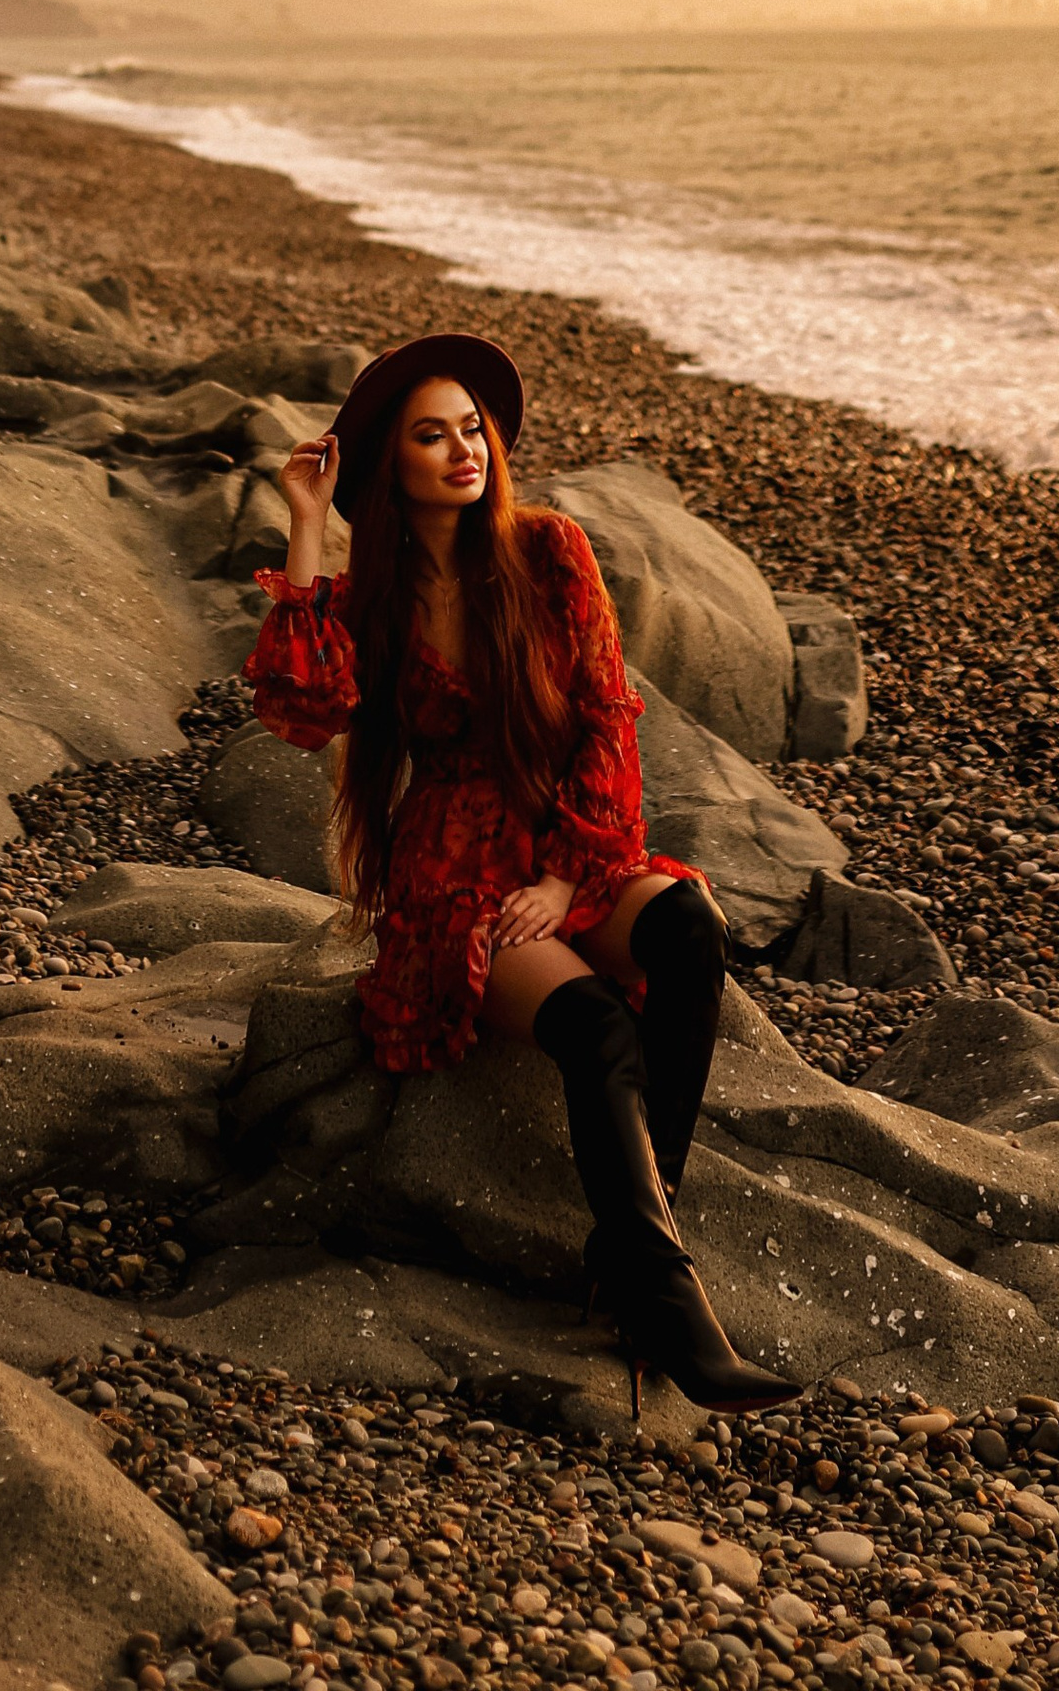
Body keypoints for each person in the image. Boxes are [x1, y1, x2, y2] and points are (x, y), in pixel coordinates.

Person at [245, 328, 800, 1417]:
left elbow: (605, 719)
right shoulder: (377, 596)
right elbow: (300, 712)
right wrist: (308, 525)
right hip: (451, 863)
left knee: (687, 927)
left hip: (565, 841)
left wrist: (568, 874)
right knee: (594, 1026)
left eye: (472, 431)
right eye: (430, 436)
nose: (464, 452)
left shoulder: (549, 550)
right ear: (389, 464)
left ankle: (641, 1241)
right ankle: (670, 1302)